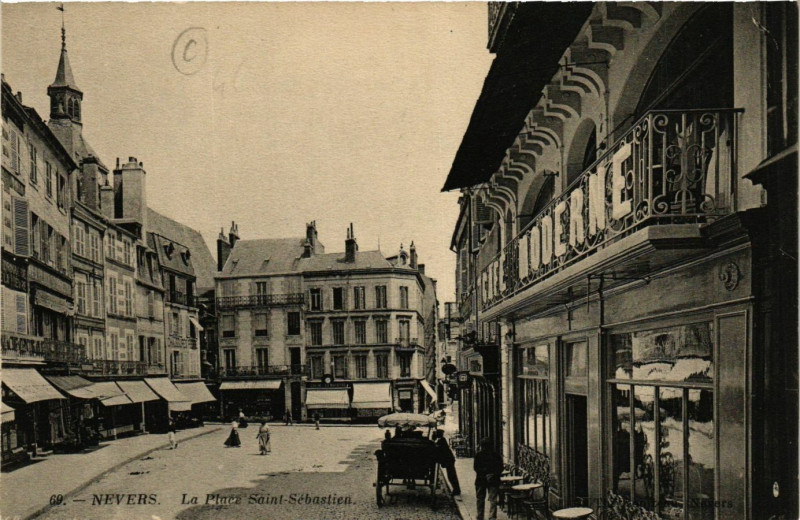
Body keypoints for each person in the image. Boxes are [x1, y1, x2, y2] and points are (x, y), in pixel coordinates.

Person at [474, 438, 503, 520]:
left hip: (480, 480)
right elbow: (500, 468)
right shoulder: (496, 455)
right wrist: (492, 474)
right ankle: (492, 517)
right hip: (493, 480)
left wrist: (484, 474)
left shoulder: (478, 455)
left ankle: (480, 516)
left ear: (482, 446)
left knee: (480, 499)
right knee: (493, 499)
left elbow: (476, 468)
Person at [434, 429, 460, 496]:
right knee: (451, 475)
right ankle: (456, 489)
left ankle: (456, 490)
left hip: (449, 460)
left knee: (451, 476)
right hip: (449, 460)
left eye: (436, 433)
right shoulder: (442, 440)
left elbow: (437, 449)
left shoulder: (441, 441)